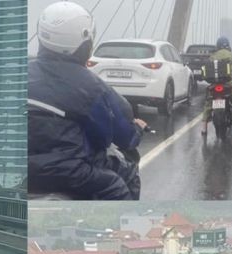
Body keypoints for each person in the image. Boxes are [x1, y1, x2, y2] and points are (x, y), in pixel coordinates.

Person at [28, 1, 146, 200]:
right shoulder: (92, 87)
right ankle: (125, 228)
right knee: (124, 178)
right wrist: (138, 130)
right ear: (85, 43)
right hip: (70, 173)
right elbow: (124, 136)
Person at [201, 37, 232, 137]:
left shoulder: (213, 56)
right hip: (228, 84)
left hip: (214, 85)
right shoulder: (231, 55)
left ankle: (204, 128)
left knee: (209, 104)